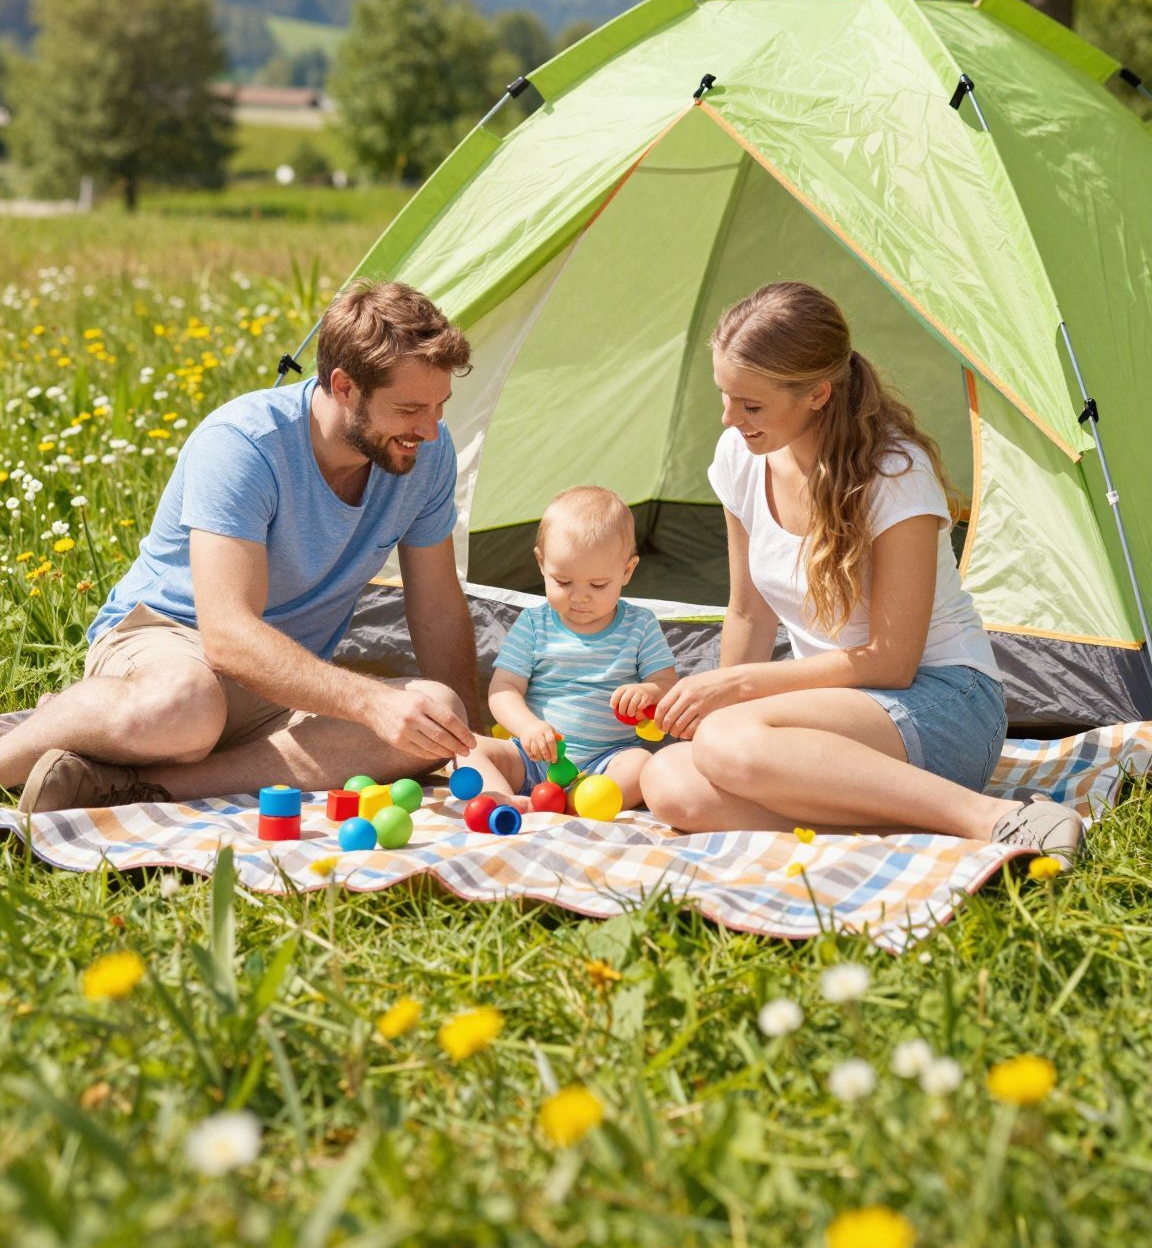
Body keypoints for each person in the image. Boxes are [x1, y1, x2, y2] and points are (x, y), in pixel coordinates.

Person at [639, 282, 1085, 860]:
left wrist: (738, 692)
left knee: (728, 740)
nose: (730, 419)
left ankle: (995, 817)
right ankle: (921, 824)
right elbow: (749, 613)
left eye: (751, 406)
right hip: (839, 712)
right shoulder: (740, 458)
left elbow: (892, 663)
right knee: (671, 781)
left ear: (817, 394)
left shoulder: (893, 473)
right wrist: (715, 701)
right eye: (725, 396)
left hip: (942, 702)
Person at [8, 281, 478, 813]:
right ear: (345, 386)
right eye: (411, 408)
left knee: (437, 710)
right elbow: (227, 637)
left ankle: (126, 781)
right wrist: (370, 701)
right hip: (172, 646)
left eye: (440, 406)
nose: (431, 430)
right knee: (186, 706)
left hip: (286, 684)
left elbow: (438, 609)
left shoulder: (424, 456)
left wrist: (472, 744)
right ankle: (32, 743)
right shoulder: (244, 444)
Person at [457, 486, 677, 807]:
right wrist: (528, 727)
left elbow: (668, 683)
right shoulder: (534, 624)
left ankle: (573, 804)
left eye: (598, 585)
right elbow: (504, 689)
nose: (580, 597)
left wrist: (649, 691)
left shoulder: (640, 625)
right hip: (533, 757)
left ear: (627, 571)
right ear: (542, 563)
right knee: (470, 749)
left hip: (607, 761)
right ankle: (506, 801)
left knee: (642, 765)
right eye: (563, 582)